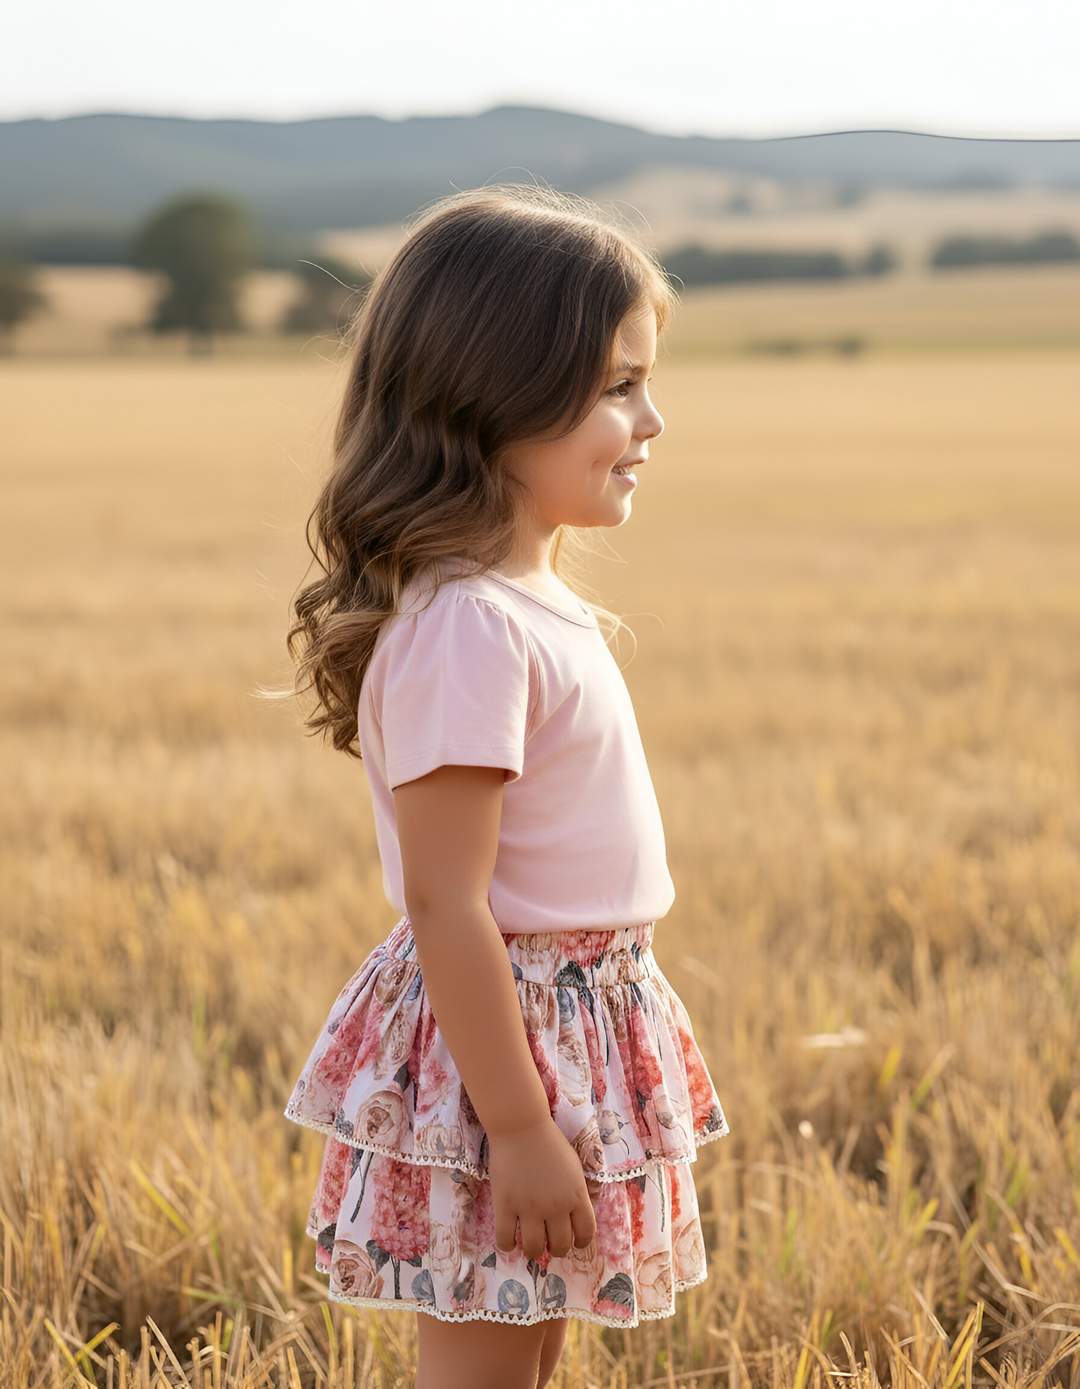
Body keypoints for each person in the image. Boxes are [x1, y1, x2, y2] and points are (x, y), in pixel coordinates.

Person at [284, 186, 728, 1389]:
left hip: (569, 1020)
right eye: (619, 387)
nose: (654, 420)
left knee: (522, 1362)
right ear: (495, 398)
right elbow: (446, 905)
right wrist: (521, 1129)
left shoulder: (524, 603)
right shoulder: (471, 629)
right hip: (507, 1051)